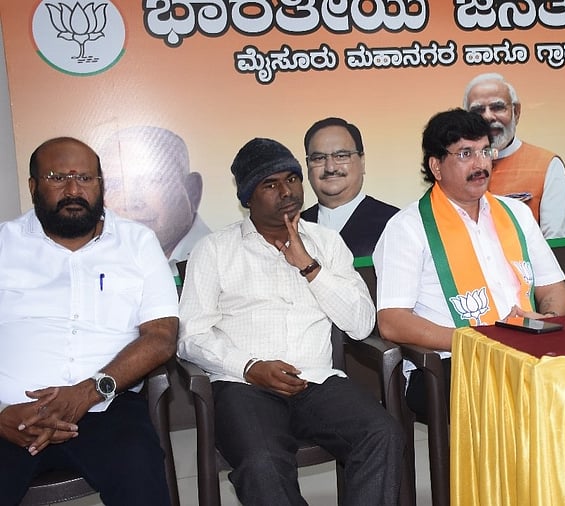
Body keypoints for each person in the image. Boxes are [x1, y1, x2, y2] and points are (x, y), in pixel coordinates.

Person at [177, 137, 405, 506]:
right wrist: (249, 367)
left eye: (292, 179)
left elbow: (361, 326)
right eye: (271, 184)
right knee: (262, 463)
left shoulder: (326, 243)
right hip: (243, 385)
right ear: (247, 197)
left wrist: (309, 267)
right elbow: (190, 335)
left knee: (382, 434)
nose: (287, 191)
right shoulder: (214, 250)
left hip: (316, 381)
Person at [0, 137, 178, 505]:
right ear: (33, 186)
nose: (73, 189)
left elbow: (161, 336)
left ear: (102, 185)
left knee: (140, 475)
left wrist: (86, 392)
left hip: (105, 406)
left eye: (85, 178)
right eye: (57, 177)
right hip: (10, 414)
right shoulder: (5, 244)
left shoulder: (138, 243)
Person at [374, 109, 565, 417]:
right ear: (436, 166)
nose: (481, 164)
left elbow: (555, 291)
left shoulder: (516, 214)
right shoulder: (408, 227)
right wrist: (476, 340)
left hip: (527, 350)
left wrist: (543, 320)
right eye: (466, 153)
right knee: (525, 400)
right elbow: (392, 321)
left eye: (485, 152)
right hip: (450, 363)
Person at [463, 72, 565, 238]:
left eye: (497, 107)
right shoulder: (455, 166)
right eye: (478, 110)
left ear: (516, 112)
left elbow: (554, 243)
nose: (488, 116)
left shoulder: (546, 165)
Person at [99, 126, 210, 276]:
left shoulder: (226, 262)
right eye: (114, 185)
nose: (131, 202)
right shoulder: (93, 266)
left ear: (192, 192)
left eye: (152, 180)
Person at [300, 117, 399, 258]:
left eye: (341, 156)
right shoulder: (294, 227)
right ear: (307, 165)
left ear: (362, 161)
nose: (330, 167)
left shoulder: (394, 223)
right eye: (319, 158)